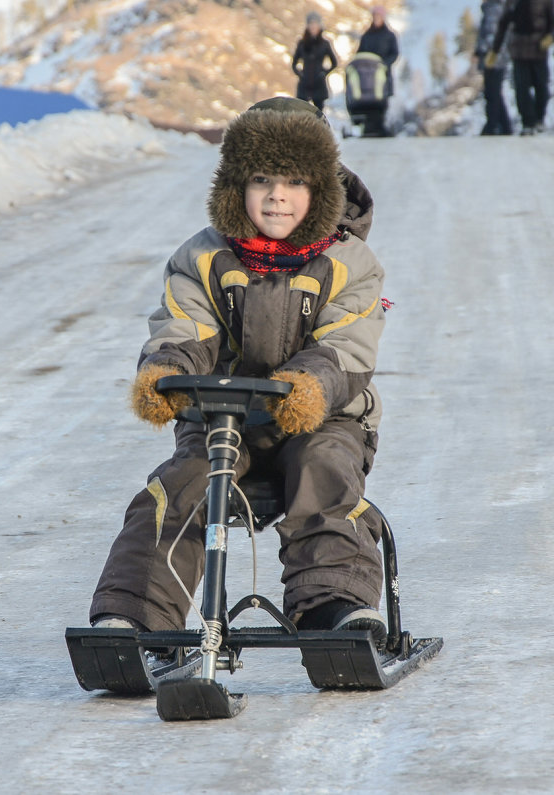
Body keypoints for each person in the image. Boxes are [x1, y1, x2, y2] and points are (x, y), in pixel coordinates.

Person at [90, 98, 389, 642]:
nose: (277, 195)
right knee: (180, 486)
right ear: (235, 185)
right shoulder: (201, 258)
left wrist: (306, 386)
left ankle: (334, 605)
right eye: (261, 178)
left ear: (321, 188)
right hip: (222, 420)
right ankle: (133, 616)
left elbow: (348, 345)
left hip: (326, 419)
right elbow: (184, 327)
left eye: (295, 181)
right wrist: (167, 370)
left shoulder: (350, 264)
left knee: (322, 469)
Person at [487, 0, 554, 135]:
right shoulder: (512, 2)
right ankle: (528, 123)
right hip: (518, 51)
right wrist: (495, 50)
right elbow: (503, 25)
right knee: (521, 89)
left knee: (541, 87)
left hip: (539, 51)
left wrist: (550, 37)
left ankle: (539, 119)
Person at [474, 0, 513, 135]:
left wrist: (485, 52)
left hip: (493, 59)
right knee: (495, 93)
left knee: (492, 93)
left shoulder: (492, 9)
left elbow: (492, 33)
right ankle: (505, 127)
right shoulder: (495, 8)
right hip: (497, 57)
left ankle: (492, 125)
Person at [292, 12, 339, 111]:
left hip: (318, 83)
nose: (313, 27)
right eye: (311, 24)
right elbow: (294, 63)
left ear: (319, 26)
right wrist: (300, 74)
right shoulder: (302, 43)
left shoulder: (325, 44)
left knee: (318, 115)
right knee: (301, 113)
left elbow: (334, 62)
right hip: (304, 83)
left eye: (315, 24)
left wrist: (324, 73)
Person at [357, 5, 399, 95]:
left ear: (383, 18)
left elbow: (394, 54)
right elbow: (359, 54)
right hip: (367, 77)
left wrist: (384, 64)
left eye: (379, 16)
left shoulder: (390, 36)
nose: (376, 18)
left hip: (384, 75)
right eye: (375, 16)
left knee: (383, 102)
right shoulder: (366, 36)